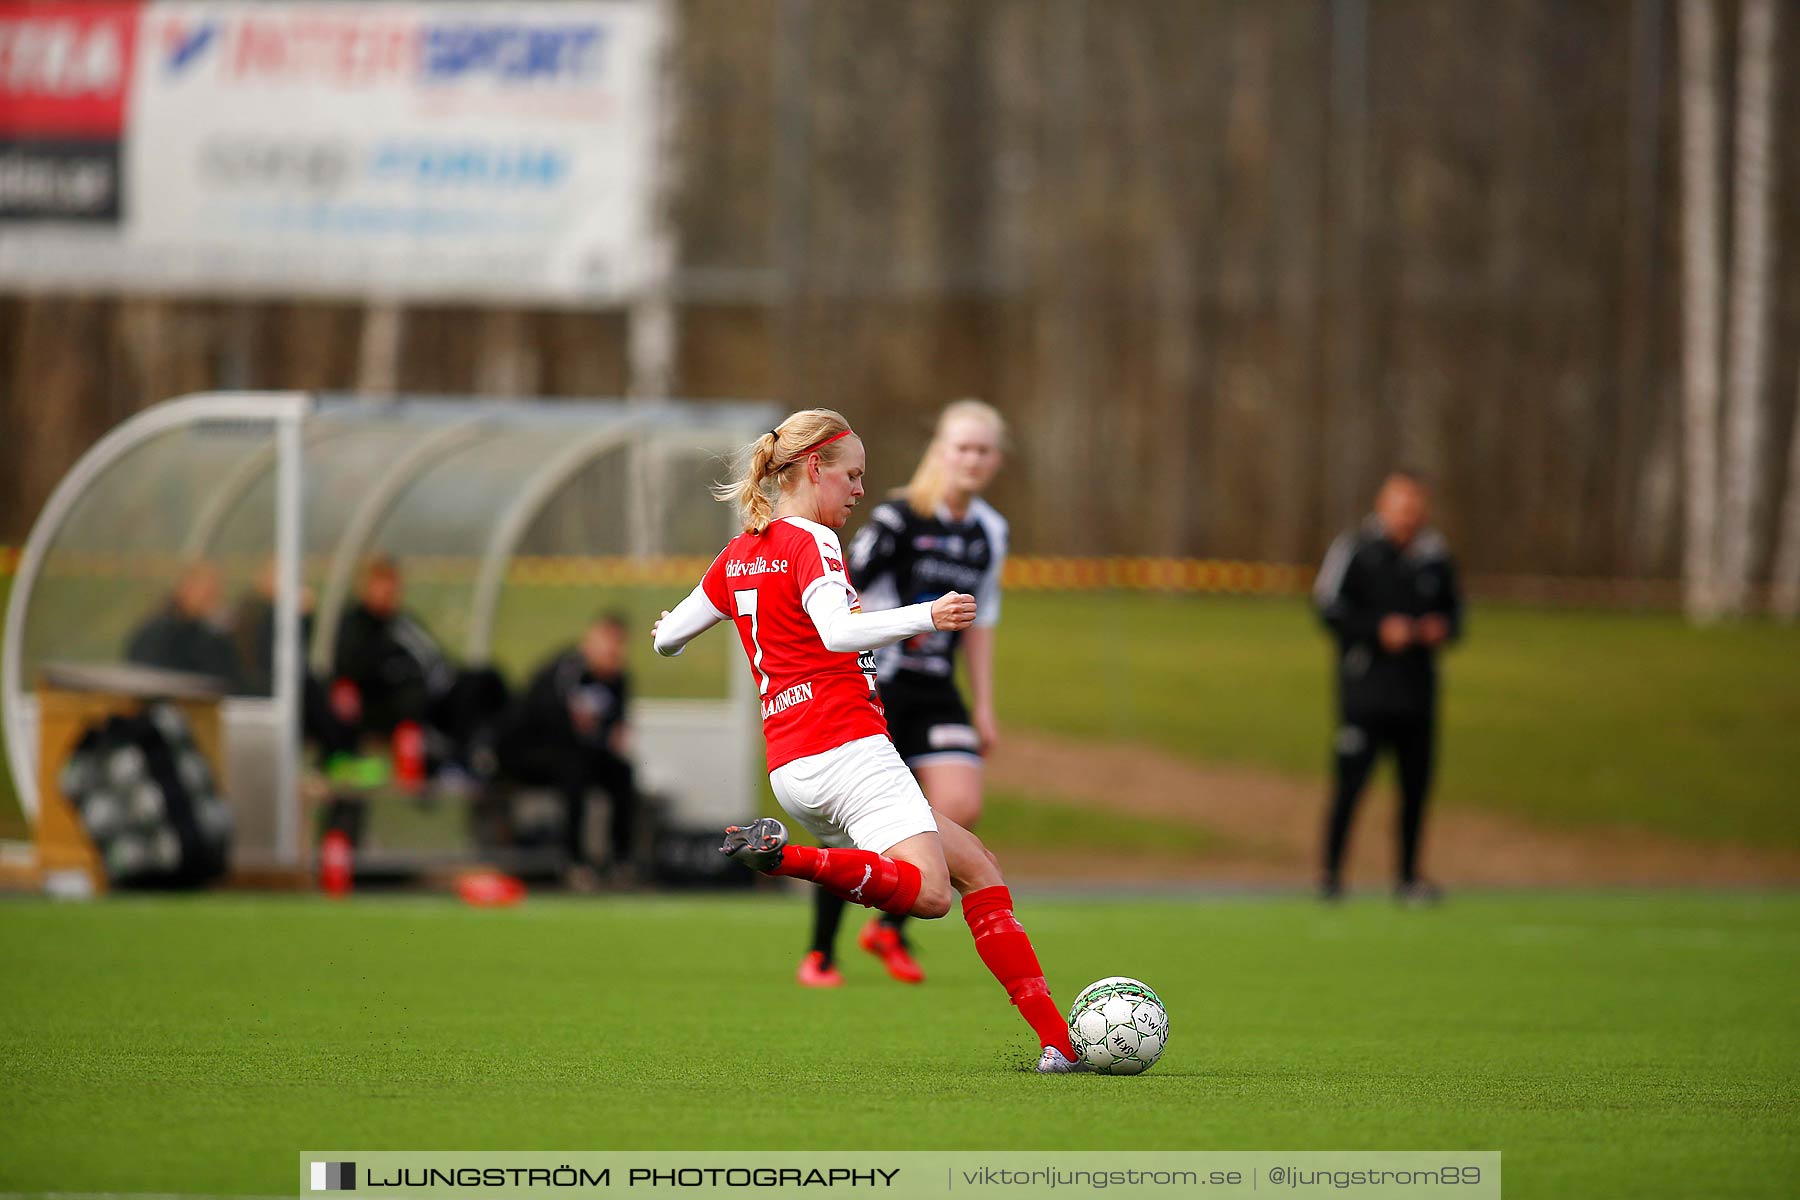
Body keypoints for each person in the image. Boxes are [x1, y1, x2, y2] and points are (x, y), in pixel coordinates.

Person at [651, 408, 1083, 1072]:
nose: (858, 490)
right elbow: (836, 631)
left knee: (977, 866)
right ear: (814, 467)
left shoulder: (740, 551)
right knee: (933, 893)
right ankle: (784, 860)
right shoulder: (811, 540)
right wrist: (927, 614)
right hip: (849, 746)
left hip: (793, 767)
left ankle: (1058, 1043)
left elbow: (669, 638)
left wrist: (670, 629)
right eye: (852, 475)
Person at [799, 399, 1010, 988]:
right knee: (858, 825)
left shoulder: (990, 531)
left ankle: (888, 926)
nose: (971, 459)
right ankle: (820, 952)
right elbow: (844, 597)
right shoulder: (896, 518)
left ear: (996, 460)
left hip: (937, 687)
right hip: (878, 684)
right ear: (939, 450)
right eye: (960, 447)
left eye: (983, 450)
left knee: (961, 803)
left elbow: (981, 620)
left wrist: (986, 704)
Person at [1313, 471, 1464, 904]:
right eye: (1401, 504)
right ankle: (1332, 873)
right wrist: (1378, 629)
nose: (1408, 514)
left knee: (1415, 787)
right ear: (1383, 505)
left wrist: (1441, 629)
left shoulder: (1434, 556)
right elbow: (1327, 608)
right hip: (1365, 692)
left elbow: (1458, 616)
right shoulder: (1356, 550)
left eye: (1416, 505)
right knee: (1350, 783)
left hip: (1417, 693)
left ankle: (1408, 877)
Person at [331, 555, 508, 784]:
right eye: (380, 582)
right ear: (364, 586)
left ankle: (488, 758)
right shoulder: (358, 628)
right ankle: (463, 763)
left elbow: (434, 655)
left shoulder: (403, 621)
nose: (387, 590)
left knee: (489, 681)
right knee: (478, 686)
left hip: (440, 688)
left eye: (392, 582)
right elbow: (358, 671)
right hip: (412, 704)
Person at [495, 614, 640, 889]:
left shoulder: (617, 679)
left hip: (581, 753)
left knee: (621, 772)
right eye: (606, 642)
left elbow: (615, 730)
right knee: (574, 771)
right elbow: (555, 724)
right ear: (589, 641)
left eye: (618, 645)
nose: (612, 651)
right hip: (531, 752)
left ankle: (621, 862)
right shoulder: (565, 671)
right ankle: (574, 862)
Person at [124, 562, 244, 691]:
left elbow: (227, 673)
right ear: (185, 589)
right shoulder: (159, 632)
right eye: (206, 592)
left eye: (214, 593)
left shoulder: (209, 632)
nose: (212, 599)